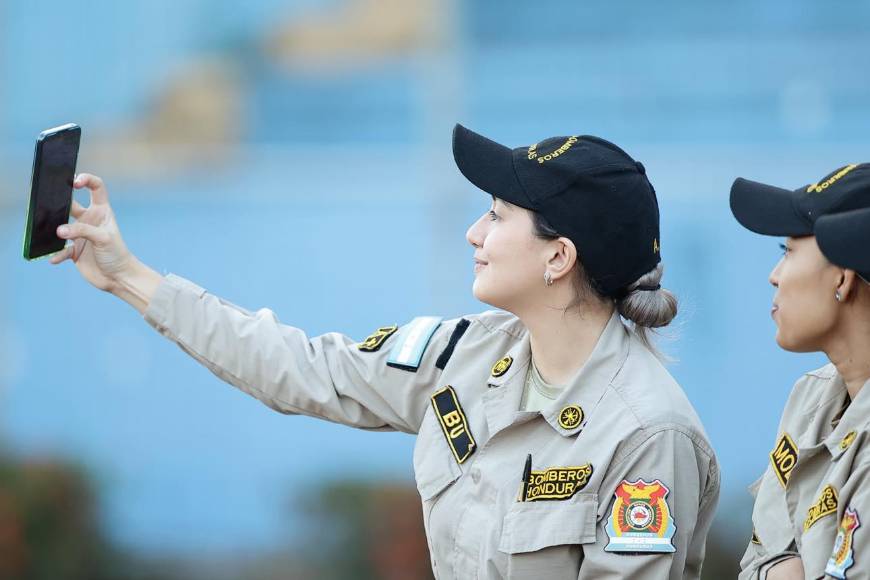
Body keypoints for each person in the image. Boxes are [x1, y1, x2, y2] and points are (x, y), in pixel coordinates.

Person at [50, 124, 719, 579]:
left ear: (558, 256)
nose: (472, 232)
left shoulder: (646, 433)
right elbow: (300, 368)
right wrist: (126, 275)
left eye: (497, 215)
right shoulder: (465, 354)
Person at [731, 163, 870, 579]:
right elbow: (758, 558)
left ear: (843, 279)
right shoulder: (810, 396)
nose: (774, 277)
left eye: (788, 252)